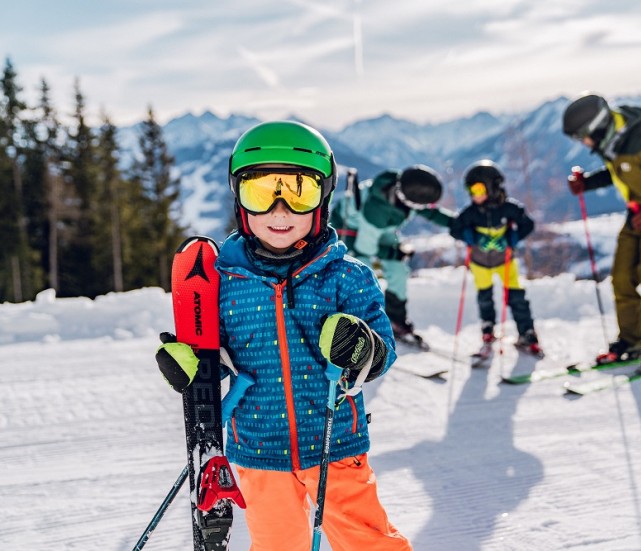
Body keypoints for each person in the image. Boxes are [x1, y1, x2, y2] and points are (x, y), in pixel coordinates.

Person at [156, 121, 412, 550]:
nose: (279, 211)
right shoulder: (224, 282)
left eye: (298, 192)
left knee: (368, 541)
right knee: (277, 544)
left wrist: (360, 347)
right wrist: (193, 369)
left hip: (334, 445)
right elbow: (213, 357)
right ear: (240, 200)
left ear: (323, 199)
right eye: (260, 192)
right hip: (257, 448)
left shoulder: (347, 278)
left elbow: (382, 353)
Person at [562, 92, 641, 369]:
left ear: (597, 128)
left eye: (583, 137)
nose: (583, 144)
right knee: (621, 278)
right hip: (637, 216)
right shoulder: (614, 143)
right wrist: (588, 184)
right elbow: (618, 171)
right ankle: (631, 342)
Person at [330, 165, 454, 346]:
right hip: (350, 233)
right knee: (362, 274)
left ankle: (396, 321)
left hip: (381, 230)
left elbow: (428, 211)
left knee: (398, 271)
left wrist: (457, 224)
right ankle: (358, 324)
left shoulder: (403, 191)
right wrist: (394, 252)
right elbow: (365, 248)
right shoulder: (377, 209)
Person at [449, 160, 542, 361]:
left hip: (505, 261)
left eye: (478, 189)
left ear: (492, 187)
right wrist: (470, 237)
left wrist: (512, 239)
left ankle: (527, 332)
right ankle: (488, 328)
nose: (474, 195)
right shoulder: (471, 212)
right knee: (485, 296)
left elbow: (528, 224)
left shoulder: (509, 209)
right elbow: (454, 228)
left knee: (516, 295)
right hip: (479, 262)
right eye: (470, 190)